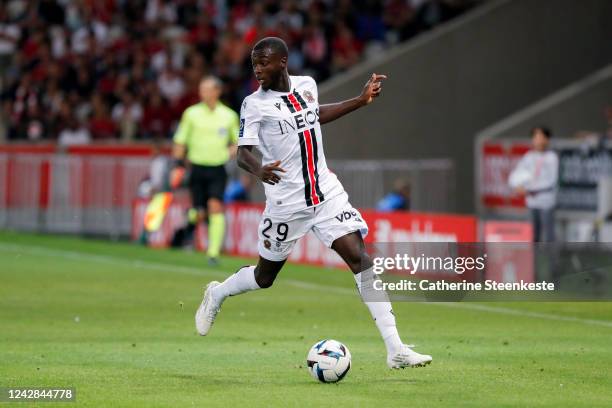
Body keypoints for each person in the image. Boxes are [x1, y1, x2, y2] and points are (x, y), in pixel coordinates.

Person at [195, 37, 432, 369]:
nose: (258, 69)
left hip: (326, 195)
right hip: (286, 204)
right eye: (254, 64)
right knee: (265, 277)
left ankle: (396, 349)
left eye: (263, 63)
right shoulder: (254, 104)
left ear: (282, 62)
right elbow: (243, 152)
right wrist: (259, 170)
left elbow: (315, 114)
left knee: (359, 258)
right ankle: (218, 293)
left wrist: (361, 100)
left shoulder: (307, 85)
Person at [172, 76, 239, 265]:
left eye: (207, 89)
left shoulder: (228, 115)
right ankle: (190, 221)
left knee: (215, 206)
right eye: (201, 90)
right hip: (196, 167)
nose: (203, 93)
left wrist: (230, 152)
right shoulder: (191, 114)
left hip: (217, 168)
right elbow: (180, 141)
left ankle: (213, 253)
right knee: (200, 212)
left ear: (217, 91)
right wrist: (177, 165)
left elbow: (238, 141)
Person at [509, 126, 558, 242]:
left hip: (546, 201)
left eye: (541, 137)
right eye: (536, 137)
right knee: (533, 235)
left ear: (547, 139)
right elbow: (516, 175)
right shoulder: (528, 157)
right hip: (532, 202)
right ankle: (533, 259)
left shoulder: (551, 157)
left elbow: (551, 181)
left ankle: (553, 260)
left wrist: (530, 189)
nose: (538, 140)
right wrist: (517, 186)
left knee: (549, 235)